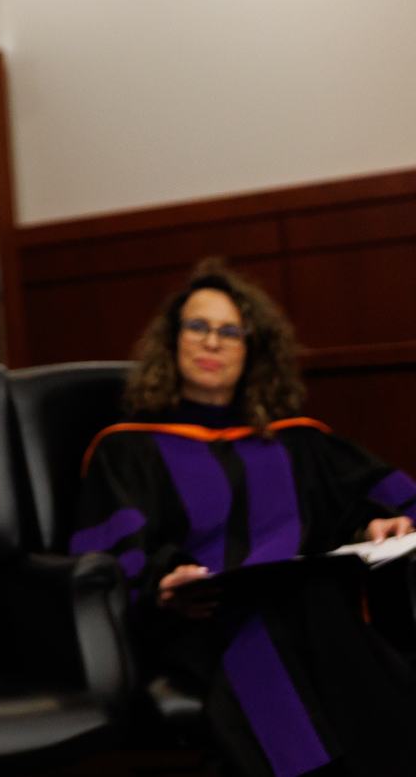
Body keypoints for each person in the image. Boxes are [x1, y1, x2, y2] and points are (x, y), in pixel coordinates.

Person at [73, 259, 416, 777]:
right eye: (198, 326)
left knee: (312, 598)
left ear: (252, 351)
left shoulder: (298, 442)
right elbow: (108, 558)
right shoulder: (127, 449)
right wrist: (165, 582)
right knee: (303, 613)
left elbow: (388, 497)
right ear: (172, 341)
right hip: (199, 619)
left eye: (230, 331)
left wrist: (378, 522)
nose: (212, 342)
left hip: (304, 608)